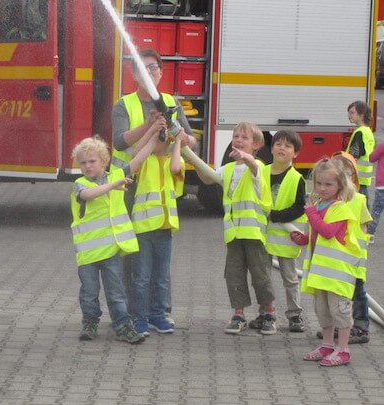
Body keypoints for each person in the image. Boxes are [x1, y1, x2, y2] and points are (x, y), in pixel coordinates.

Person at [111, 47, 197, 324]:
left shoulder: (171, 101)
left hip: (159, 187)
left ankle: (161, 311)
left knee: (160, 261)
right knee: (133, 257)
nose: (150, 72)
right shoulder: (124, 104)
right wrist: (148, 126)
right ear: (134, 74)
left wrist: (178, 135)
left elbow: (191, 141)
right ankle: (132, 313)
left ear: (161, 72)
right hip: (128, 185)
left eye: (154, 68)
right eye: (144, 68)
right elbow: (119, 142)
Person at [69, 127, 163, 344]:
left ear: (104, 161)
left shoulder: (117, 176)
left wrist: (154, 136)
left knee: (116, 292)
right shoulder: (80, 184)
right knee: (89, 293)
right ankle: (90, 322)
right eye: (83, 163)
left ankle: (123, 326)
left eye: (92, 161)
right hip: (88, 254)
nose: (87, 166)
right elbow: (89, 195)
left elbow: (138, 160)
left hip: (112, 250)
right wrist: (113, 185)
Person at [197, 122, 276, 335]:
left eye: (244, 137)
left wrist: (248, 158)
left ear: (256, 145)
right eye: (235, 136)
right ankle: (239, 314)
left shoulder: (258, 167)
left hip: (254, 234)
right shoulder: (229, 169)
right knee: (233, 275)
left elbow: (254, 167)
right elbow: (208, 177)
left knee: (261, 275)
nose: (238, 140)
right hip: (233, 234)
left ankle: (268, 312)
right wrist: (193, 158)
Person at [291, 158, 360, 366]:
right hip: (321, 274)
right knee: (323, 311)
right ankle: (328, 345)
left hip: (337, 274)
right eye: (319, 183)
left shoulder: (340, 208)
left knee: (340, 311)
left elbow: (328, 233)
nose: (322, 188)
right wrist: (302, 239)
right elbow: (316, 236)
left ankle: (343, 349)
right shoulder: (319, 205)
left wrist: (311, 213)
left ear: (339, 184)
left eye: (328, 184)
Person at [129, 123, 187, 336]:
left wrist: (178, 140)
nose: (160, 138)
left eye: (164, 136)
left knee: (161, 277)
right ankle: (139, 318)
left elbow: (175, 169)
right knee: (141, 277)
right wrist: (152, 132)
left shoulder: (176, 159)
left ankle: (157, 315)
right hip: (144, 228)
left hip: (165, 228)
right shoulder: (145, 161)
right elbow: (136, 154)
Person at [252, 130, 306, 333]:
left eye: (288, 146)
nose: (282, 148)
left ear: (296, 153)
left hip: (285, 237)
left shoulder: (296, 178)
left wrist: (276, 216)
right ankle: (266, 312)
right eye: (278, 144)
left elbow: (299, 207)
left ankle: (295, 315)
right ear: (271, 148)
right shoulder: (261, 172)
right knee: (262, 277)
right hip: (263, 235)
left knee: (290, 279)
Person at [331, 152, 372, 344]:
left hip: (354, 256)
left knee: (357, 292)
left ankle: (361, 327)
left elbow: (364, 227)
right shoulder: (330, 200)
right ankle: (342, 327)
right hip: (337, 257)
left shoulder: (358, 199)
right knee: (340, 293)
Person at [345, 100, 375, 206]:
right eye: (349, 112)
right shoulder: (368, 131)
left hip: (356, 177)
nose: (349, 115)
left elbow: (353, 157)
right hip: (363, 177)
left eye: (352, 112)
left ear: (361, 115)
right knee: (363, 204)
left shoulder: (359, 133)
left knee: (359, 206)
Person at [368, 141, 384, 244]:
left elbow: (372, 158)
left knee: (376, 211)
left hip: (382, 184)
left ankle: (370, 235)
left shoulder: (383, 145)